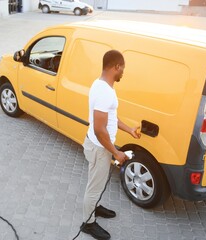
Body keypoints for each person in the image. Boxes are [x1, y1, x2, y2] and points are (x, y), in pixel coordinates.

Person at [81, 50, 141, 240]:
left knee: (95, 185)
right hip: (100, 148)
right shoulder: (105, 91)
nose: (123, 72)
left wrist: (128, 129)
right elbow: (100, 129)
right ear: (116, 66)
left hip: (97, 145)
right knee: (94, 187)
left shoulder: (100, 84)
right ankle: (88, 224)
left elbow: (110, 118)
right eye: (122, 68)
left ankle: (95, 207)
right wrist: (116, 152)